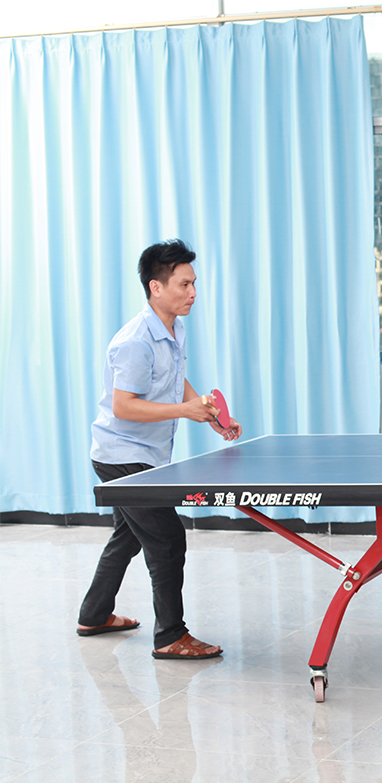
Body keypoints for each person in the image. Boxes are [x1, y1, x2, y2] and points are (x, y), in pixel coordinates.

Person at [78, 240, 242, 659]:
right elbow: (124, 406)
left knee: (128, 536)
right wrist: (185, 410)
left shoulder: (174, 330)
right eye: (184, 284)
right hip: (122, 457)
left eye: (194, 283)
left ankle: (94, 615)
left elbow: (173, 380)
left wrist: (206, 411)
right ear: (156, 287)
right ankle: (170, 636)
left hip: (144, 456)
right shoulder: (136, 341)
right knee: (167, 539)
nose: (193, 293)